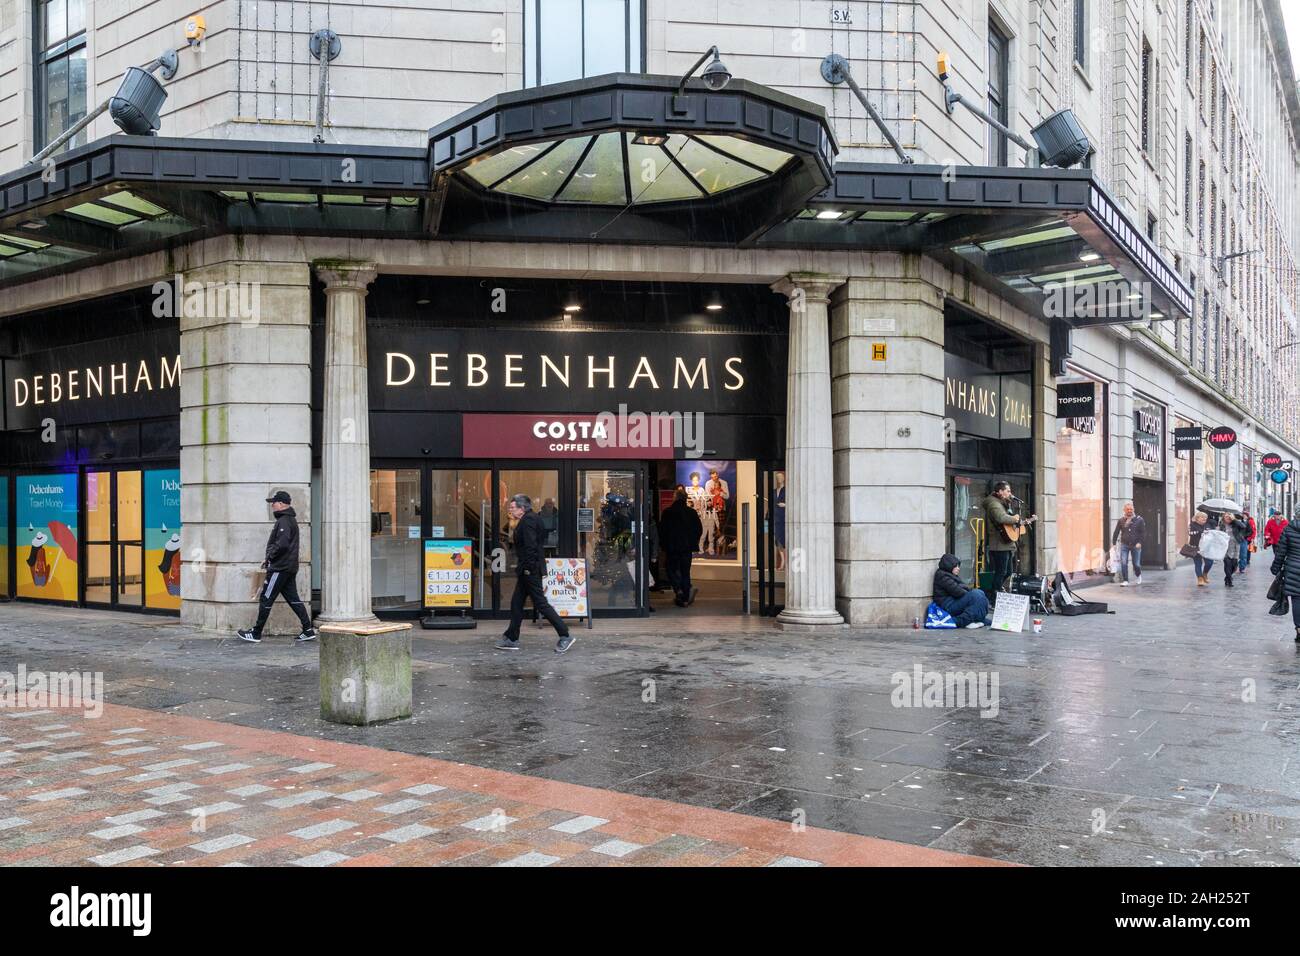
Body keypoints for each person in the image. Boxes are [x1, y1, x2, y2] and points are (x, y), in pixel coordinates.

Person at [496, 494, 575, 654]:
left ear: (522, 508)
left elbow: (531, 546)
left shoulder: (529, 520)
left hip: (530, 570)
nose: (509, 509)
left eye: (512, 507)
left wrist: (528, 568)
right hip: (527, 569)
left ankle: (565, 635)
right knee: (516, 603)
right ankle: (511, 637)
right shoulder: (528, 519)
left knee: (540, 604)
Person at [237, 491, 315, 644]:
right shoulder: (289, 520)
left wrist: (269, 557)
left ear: (281, 503)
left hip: (280, 568)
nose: (272, 505)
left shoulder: (284, 521)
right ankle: (308, 630)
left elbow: (282, 544)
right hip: (288, 567)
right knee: (293, 599)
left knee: (266, 598)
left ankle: (256, 633)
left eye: (274, 502)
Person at [982, 481, 1032, 592]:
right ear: (1000, 491)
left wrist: (1019, 522)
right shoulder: (994, 504)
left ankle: (996, 589)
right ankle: (994, 593)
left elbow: (1007, 524)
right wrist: (1015, 518)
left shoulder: (1001, 503)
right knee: (1001, 572)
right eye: (1008, 491)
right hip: (999, 544)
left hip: (1005, 543)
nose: (1010, 493)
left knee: (1008, 572)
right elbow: (1001, 518)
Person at [658, 489, 703, 607]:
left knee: (670, 569)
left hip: (672, 548)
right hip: (687, 548)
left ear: (675, 497)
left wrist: (663, 545)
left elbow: (662, 531)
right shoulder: (691, 512)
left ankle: (678, 590)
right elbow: (698, 529)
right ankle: (685, 599)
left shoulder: (668, 512)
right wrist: (693, 542)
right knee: (685, 572)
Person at [932, 554, 992, 629]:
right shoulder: (942, 576)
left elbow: (961, 588)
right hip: (948, 605)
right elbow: (958, 592)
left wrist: (965, 589)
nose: (958, 569)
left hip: (954, 601)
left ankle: (975, 619)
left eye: (958, 566)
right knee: (975, 595)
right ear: (949, 566)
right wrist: (967, 590)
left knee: (980, 593)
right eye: (956, 566)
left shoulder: (950, 574)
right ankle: (960, 621)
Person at [1269, 518, 1300, 643]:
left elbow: (1281, 552)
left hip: (1293, 568)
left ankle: (1299, 629)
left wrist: (1275, 568)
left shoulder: (1288, 529)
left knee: (1297, 599)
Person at [1111, 501, 1146, 586]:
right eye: (1127, 509)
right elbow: (1116, 532)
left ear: (1133, 509)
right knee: (1123, 562)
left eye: (1131, 509)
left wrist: (1140, 542)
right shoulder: (1121, 520)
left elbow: (1143, 533)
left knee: (1136, 564)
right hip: (1125, 544)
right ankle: (1125, 580)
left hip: (1136, 545)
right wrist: (1113, 543)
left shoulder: (1139, 520)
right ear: (1124, 510)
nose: (1129, 511)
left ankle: (1138, 575)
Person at [1220, 511, 1249, 588]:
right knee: (1227, 563)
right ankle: (1229, 579)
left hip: (1236, 544)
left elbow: (1243, 526)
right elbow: (1219, 533)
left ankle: (1227, 577)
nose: (1227, 518)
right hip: (1226, 545)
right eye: (1226, 516)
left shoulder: (1235, 523)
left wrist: (1234, 520)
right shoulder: (1222, 524)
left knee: (1234, 565)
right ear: (1223, 517)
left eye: (1229, 516)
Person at [1187, 510, 1214, 586]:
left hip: (1206, 547)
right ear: (1197, 518)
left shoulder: (1208, 525)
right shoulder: (1192, 525)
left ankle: (1205, 573)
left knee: (1209, 562)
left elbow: (1212, 534)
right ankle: (1200, 579)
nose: (1204, 519)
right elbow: (1190, 533)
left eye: (1205, 518)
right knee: (1198, 563)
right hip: (1196, 547)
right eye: (1202, 517)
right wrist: (1201, 532)